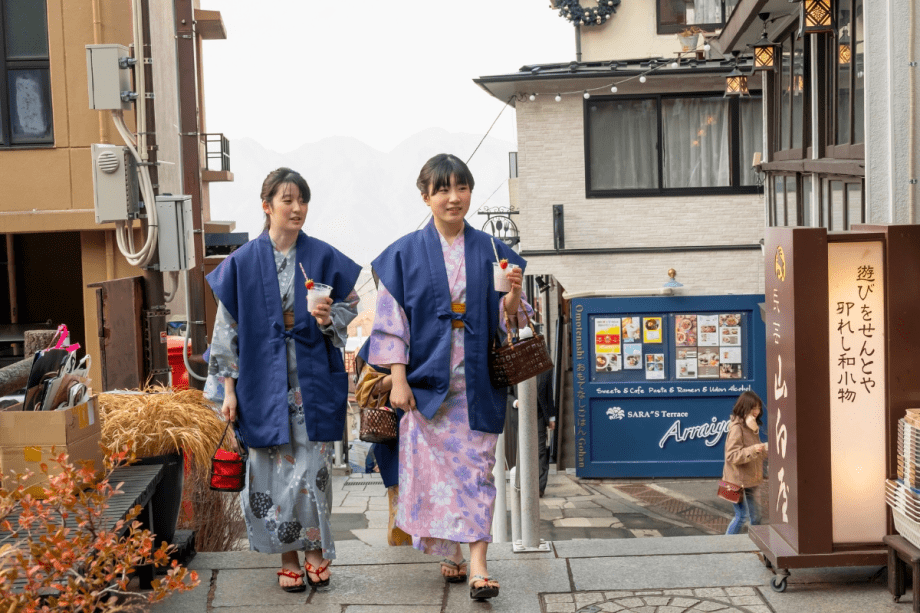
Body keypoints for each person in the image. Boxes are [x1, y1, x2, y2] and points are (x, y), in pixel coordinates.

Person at [369, 153, 531, 601]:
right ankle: (452, 553)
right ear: (426, 197)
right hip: (427, 385)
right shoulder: (404, 253)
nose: (453, 198)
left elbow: (511, 322)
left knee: (478, 472)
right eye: (442, 189)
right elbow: (390, 322)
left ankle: (478, 564)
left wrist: (514, 297)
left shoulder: (493, 252)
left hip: (477, 382)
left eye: (461, 188)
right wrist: (397, 380)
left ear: (471, 194)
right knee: (437, 477)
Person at [205, 167, 361, 592]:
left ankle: (314, 552)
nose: (296, 208)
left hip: (310, 375)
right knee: (270, 470)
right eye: (287, 200)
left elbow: (350, 307)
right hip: (260, 378)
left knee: (313, 469)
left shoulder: (323, 256)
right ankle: (288, 556)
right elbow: (226, 330)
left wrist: (330, 317)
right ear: (266, 206)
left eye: (302, 200)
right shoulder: (242, 263)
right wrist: (229, 391)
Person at [722, 390, 768, 535]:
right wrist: (755, 448)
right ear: (745, 408)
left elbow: (756, 453)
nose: (757, 411)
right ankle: (724, 546)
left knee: (757, 518)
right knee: (741, 517)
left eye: (758, 408)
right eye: (753, 408)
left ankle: (756, 545)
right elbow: (732, 455)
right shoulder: (737, 428)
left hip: (751, 480)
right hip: (735, 481)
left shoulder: (752, 426)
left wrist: (765, 449)